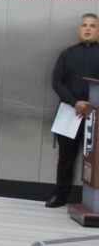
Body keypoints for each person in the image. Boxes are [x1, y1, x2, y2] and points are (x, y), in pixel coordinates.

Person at [47, 13, 99, 207]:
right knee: (66, 157)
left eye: (92, 26)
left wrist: (90, 105)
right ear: (78, 29)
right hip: (69, 112)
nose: (87, 29)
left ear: (98, 30)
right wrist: (74, 102)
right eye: (84, 25)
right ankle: (60, 195)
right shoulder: (67, 54)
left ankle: (94, 200)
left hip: (96, 115)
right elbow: (57, 81)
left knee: (96, 159)